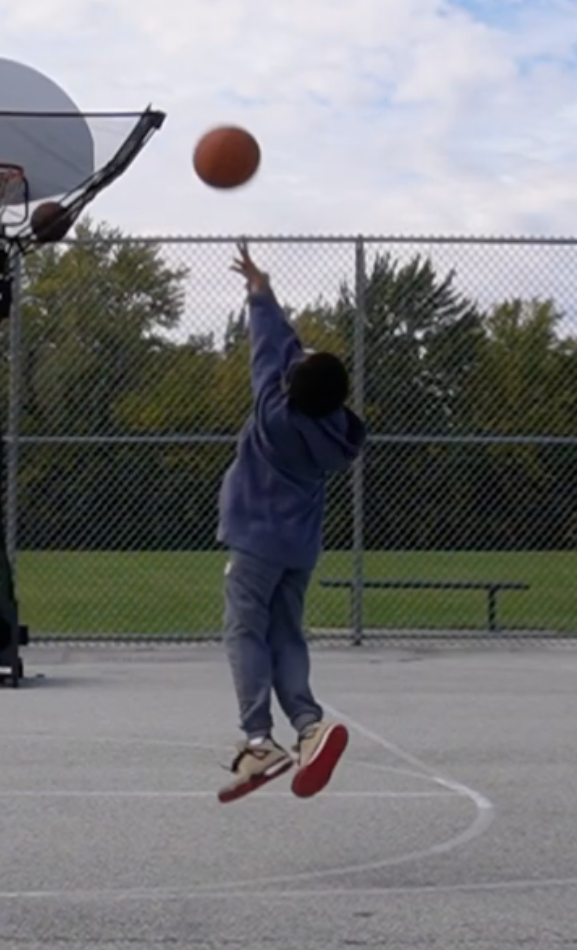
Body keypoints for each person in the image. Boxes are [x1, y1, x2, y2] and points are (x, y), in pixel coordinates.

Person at [215, 240, 367, 804]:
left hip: (254, 542)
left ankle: (259, 740)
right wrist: (266, 296)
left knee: (244, 631)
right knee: (285, 633)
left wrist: (260, 291)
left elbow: (271, 344)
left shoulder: (271, 412)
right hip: (298, 549)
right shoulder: (337, 432)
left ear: (291, 384)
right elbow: (287, 352)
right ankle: (308, 726)